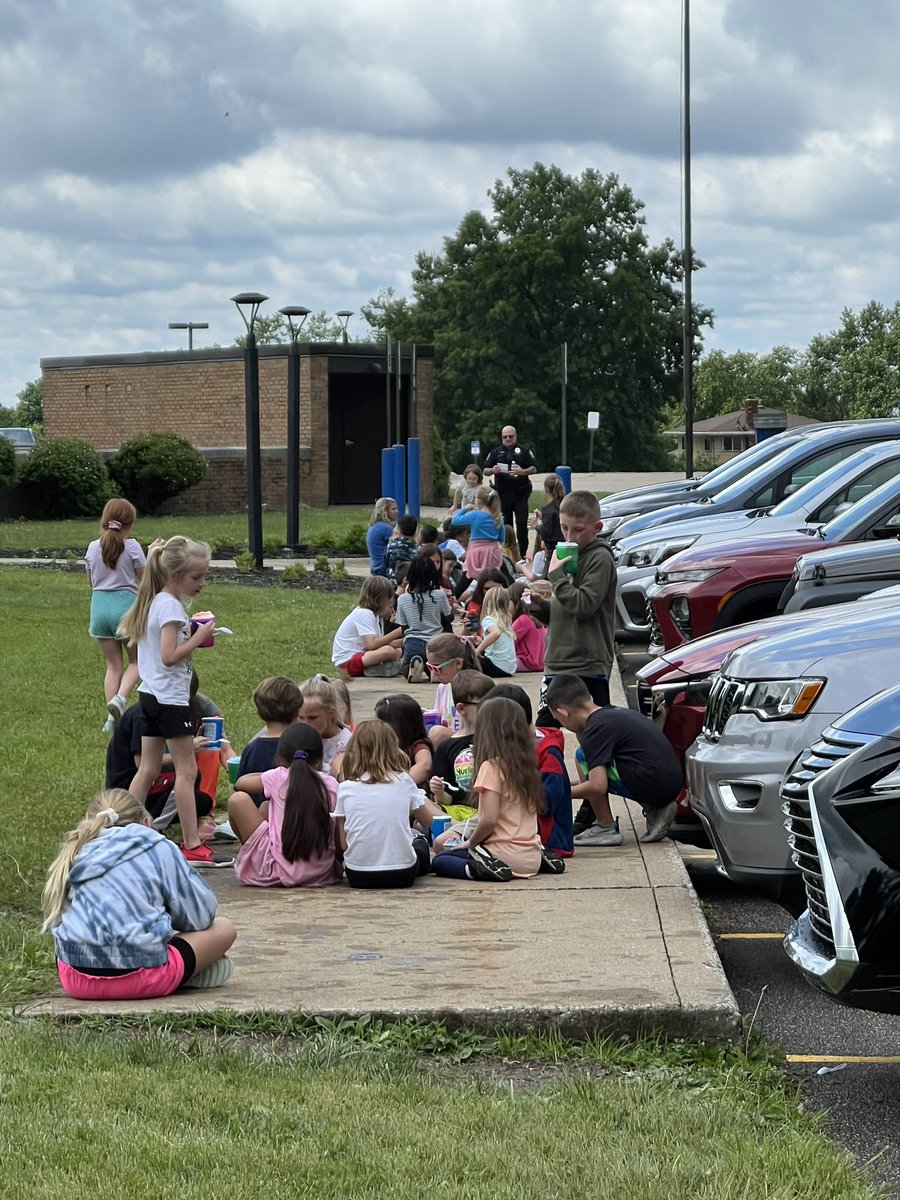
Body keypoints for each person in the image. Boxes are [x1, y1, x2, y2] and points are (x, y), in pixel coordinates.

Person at [42, 789, 236, 1000]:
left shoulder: (76, 849)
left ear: (89, 820)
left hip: (76, 981)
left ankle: (182, 971)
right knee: (223, 927)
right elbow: (201, 916)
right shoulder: (158, 845)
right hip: (145, 978)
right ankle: (186, 972)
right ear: (146, 822)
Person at [118, 535, 233, 868]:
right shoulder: (169, 606)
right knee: (187, 770)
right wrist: (198, 638)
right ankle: (192, 844)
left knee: (149, 768)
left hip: (148, 695)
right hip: (169, 700)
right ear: (174, 575)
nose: (202, 583)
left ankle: (121, 830)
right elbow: (169, 656)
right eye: (196, 577)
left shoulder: (155, 599)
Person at [546, 674, 682, 847]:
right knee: (594, 763)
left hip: (653, 783)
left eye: (558, 720)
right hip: (670, 782)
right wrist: (563, 783)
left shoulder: (594, 730)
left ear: (563, 712)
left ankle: (605, 826)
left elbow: (597, 785)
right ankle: (654, 809)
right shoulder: (612, 714)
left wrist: (555, 793)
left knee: (583, 755)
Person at [529, 490, 617, 727]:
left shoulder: (600, 558)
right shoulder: (564, 553)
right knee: (546, 728)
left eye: (578, 529)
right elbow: (566, 608)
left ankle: (596, 766)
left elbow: (585, 605)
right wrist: (542, 608)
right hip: (557, 662)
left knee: (595, 731)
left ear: (597, 527)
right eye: (564, 527)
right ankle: (551, 767)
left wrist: (556, 576)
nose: (570, 535)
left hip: (588, 664)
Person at [431, 697, 543, 882]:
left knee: (441, 861)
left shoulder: (491, 767)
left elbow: (489, 819)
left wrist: (470, 842)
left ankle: (481, 868)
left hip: (503, 854)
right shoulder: (526, 766)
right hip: (532, 856)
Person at [105, 668, 226, 832]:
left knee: (201, 799)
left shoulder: (194, 705)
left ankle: (155, 820)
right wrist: (188, 749)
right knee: (187, 777)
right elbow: (143, 764)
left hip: (161, 781)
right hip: (129, 787)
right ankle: (145, 823)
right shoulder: (143, 714)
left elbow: (224, 746)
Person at [229, 723, 342, 888]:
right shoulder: (330, 784)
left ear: (281, 758)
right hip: (320, 872)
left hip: (277, 871)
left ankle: (252, 859)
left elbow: (241, 783)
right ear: (319, 761)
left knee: (238, 800)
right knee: (267, 807)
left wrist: (274, 773)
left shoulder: (278, 777)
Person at [333, 720, 443, 889]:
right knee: (418, 840)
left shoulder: (345, 788)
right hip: (402, 874)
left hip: (358, 875)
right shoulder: (403, 781)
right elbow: (429, 822)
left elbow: (343, 843)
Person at [488, 683, 573, 858]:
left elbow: (546, 804)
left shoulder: (548, 754)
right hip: (521, 831)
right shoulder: (510, 747)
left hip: (550, 840)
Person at [85, 498, 146, 732]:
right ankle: (120, 699)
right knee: (136, 661)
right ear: (129, 524)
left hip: (99, 609)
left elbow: (91, 581)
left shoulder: (92, 547)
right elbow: (145, 577)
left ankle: (112, 721)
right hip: (126, 609)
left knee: (112, 665)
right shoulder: (132, 547)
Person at [232, 676, 304, 806]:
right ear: (298, 711)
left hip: (256, 821)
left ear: (259, 713)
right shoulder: (302, 745)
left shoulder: (251, 749)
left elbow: (239, 789)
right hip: (293, 819)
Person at [429, 670, 495, 809]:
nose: (491, 709)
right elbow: (447, 800)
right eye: (483, 705)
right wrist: (439, 791)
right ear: (461, 708)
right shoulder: (446, 748)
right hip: (460, 811)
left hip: (493, 809)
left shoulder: (498, 739)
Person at [331, 576, 404, 678]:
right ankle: (376, 670)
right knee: (388, 650)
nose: (391, 607)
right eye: (389, 602)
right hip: (347, 662)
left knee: (397, 651)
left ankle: (379, 669)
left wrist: (403, 641)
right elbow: (372, 645)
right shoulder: (364, 613)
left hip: (362, 656)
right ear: (380, 600)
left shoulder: (375, 617)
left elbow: (380, 642)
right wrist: (398, 632)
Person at [396, 554, 452, 683]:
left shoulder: (403, 599)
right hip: (436, 643)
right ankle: (435, 670)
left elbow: (403, 626)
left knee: (405, 669)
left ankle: (416, 666)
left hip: (413, 643)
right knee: (438, 662)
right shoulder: (439, 595)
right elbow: (449, 617)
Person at [483, 425, 537, 556]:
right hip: (503, 494)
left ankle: (522, 552)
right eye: (505, 437)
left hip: (520, 494)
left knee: (522, 524)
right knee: (506, 526)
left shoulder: (524, 451)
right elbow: (485, 470)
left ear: (515, 436)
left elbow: (534, 468)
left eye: (510, 436)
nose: (508, 439)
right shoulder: (496, 452)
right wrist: (492, 470)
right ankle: (508, 552)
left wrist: (522, 471)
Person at [423, 632, 481, 746]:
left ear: (458, 663)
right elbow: (440, 715)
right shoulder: (442, 687)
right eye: (429, 667)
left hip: (469, 742)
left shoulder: (473, 688)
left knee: (437, 733)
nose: (433, 674)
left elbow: (476, 729)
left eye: (437, 668)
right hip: (450, 740)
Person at [374, 693, 433, 786]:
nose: (376, 727)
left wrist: (402, 785)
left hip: (410, 793)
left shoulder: (417, 745)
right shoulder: (383, 745)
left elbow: (424, 765)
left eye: (380, 723)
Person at [300, 676, 353, 774]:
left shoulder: (347, 743)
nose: (305, 724)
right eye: (301, 718)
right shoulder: (298, 738)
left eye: (312, 718)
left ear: (330, 714)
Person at [451, 486, 504, 579]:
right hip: (492, 552)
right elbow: (501, 538)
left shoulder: (475, 515)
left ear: (478, 500)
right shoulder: (497, 516)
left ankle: (456, 593)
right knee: (495, 577)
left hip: (476, 552)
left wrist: (465, 509)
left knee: (467, 579)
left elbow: (455, 520)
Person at [476, 586, 516, 678]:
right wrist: (482, 642)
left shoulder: (488, 619)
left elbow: (496, 633)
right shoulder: (505, 620)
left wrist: (478, 650)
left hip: (496, 665)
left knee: (466, 655)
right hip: (509, 669)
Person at [510, 580, 550, 673]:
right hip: (541, 663)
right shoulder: (538, 620)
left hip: (527, 663)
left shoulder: (524, 619)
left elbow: (508, 640)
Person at [528, 474, 565, 572]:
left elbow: (547, 532)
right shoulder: (562, 505)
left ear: (546, 490)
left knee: (549, 573)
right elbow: (556, 521)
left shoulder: (548, 509)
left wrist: (535, 525)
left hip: (552, 548)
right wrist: (543, 517)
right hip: (564, 544)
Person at [366, 497, 398, 577]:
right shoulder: (386, 528)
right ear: (385, 511)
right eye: (393, 509)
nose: (397, 511)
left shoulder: (373, 526)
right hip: (384, 569)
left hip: (375, 567)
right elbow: (396, 548)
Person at [384, 514, 419, 581]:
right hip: (411, 582)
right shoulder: (419, 548)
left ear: (399, 530)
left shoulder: (391, 545)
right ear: (415, 531)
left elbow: (385, 561)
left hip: (394, 582)